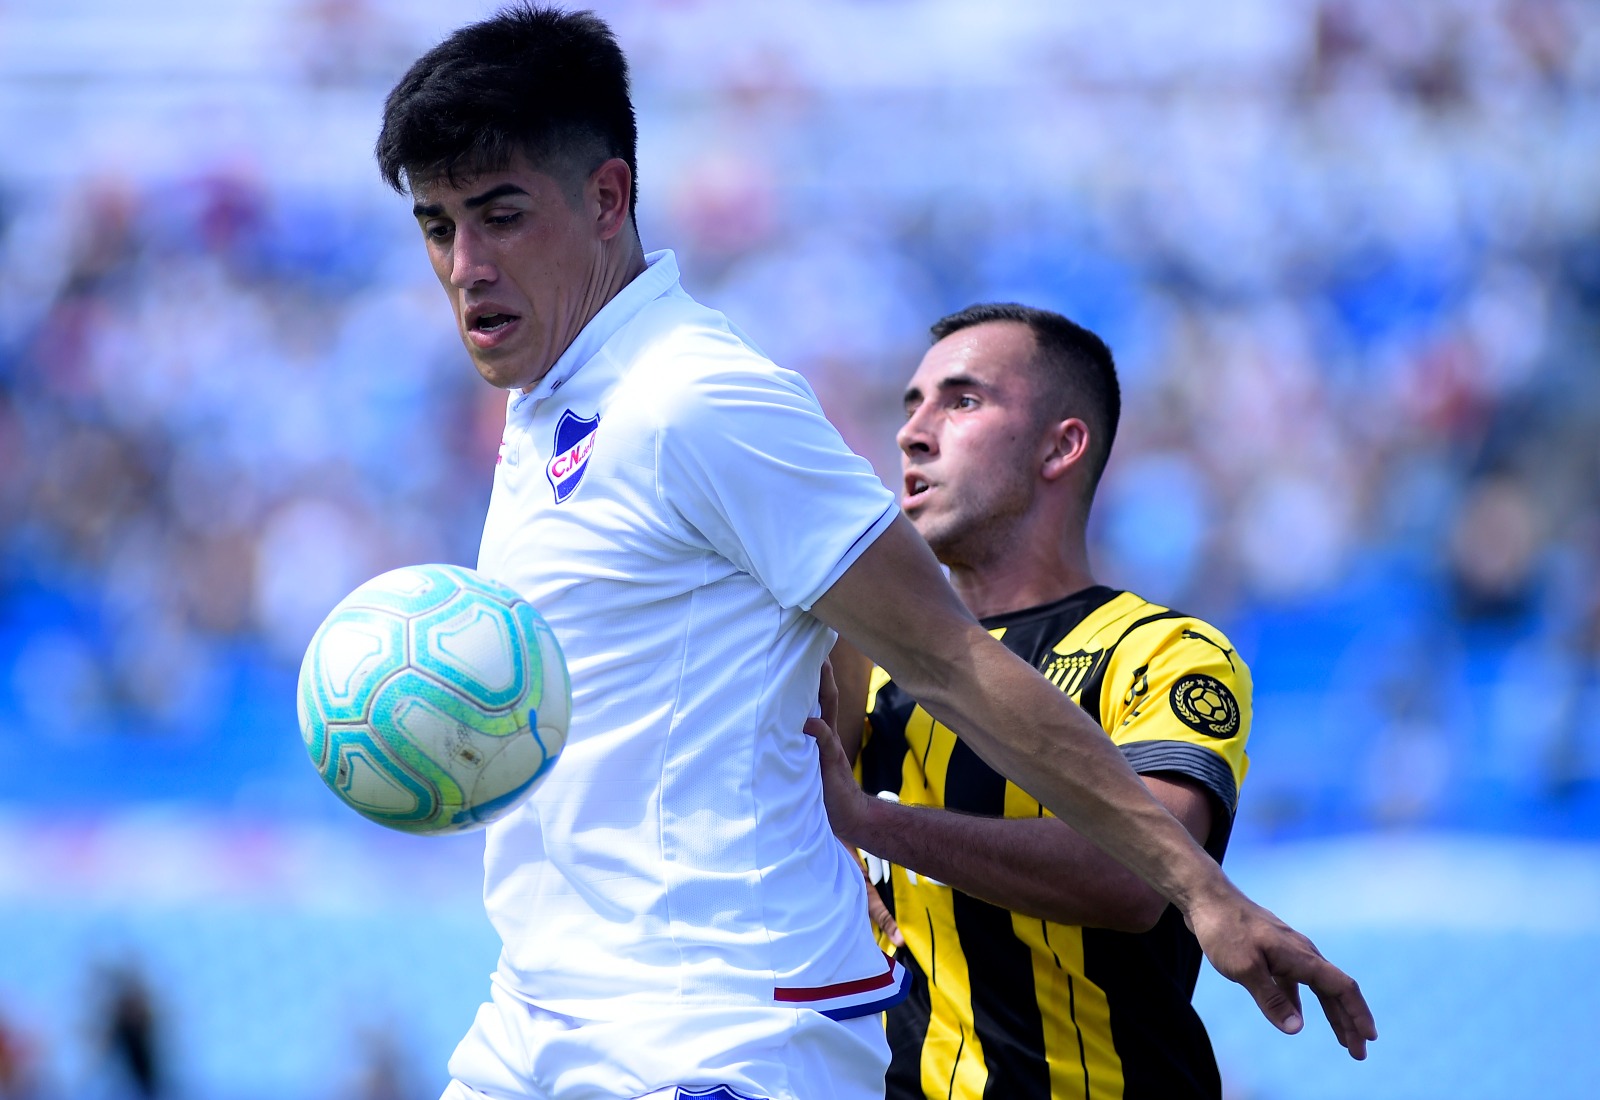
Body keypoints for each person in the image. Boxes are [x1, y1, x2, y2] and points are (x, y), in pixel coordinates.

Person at [375, 6, 1374, 1099]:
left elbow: (947, 655)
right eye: (436, 226)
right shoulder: (551, 403)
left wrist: (1202, 892)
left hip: (705, 1029)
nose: (464, 264)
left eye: (499, 215)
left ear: (607, 197)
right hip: (539, 1007)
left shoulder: (697, 400)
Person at [814, 304, 1251, 1098]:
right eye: (911, 405)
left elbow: (1139, 876)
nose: (915, 432)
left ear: (1062, 445)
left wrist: (877, 824)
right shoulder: (864, 671)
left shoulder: (1163, 653)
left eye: (963, 400)